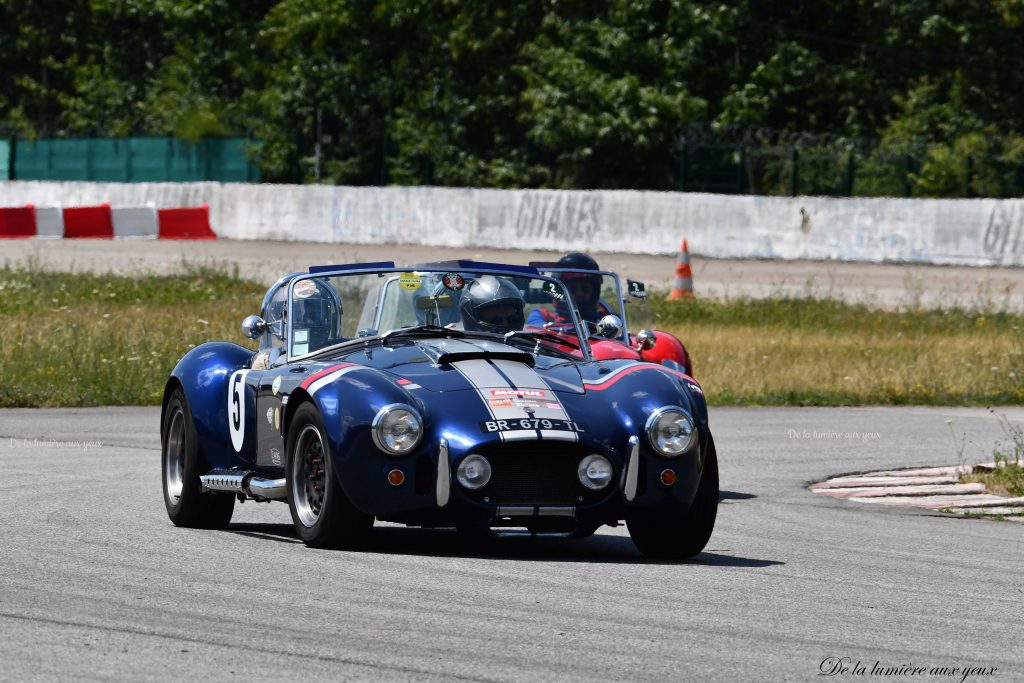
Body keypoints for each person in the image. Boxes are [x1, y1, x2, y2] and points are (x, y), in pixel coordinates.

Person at [527, 252, 611, 327]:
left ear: (594, 292)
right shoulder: (542, 316)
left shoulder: (609, 321)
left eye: (585, 289)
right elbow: (538, 330)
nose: (579, 293)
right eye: (572, 289)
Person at [459, 275, 526, 334]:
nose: (505, 325)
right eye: (496, 321)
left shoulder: (532, 346)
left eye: (512, 320)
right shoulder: (454, 347)